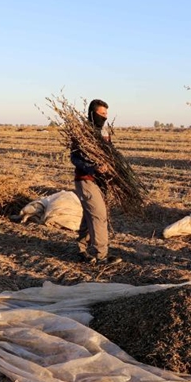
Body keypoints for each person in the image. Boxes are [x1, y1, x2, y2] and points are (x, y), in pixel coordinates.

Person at [71, 99, 122, 266]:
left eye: (106, 114)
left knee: (89, 215)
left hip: (101, 181)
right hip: (86, 180)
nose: (105, 117)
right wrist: (93, 168)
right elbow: (75, 158)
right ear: (92, 114)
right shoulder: (82, 133)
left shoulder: (104, 132)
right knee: (99, 216)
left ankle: (80, 250)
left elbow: (110, 152)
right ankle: (102, 256)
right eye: (102, 114)